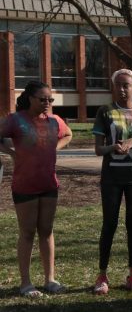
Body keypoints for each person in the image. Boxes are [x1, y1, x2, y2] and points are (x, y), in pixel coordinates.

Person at [0, 81, 72, 297]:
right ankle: (26, 283)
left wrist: (54, 148)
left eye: (50, 99)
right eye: (43, 99)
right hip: (25, 184)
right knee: (28, 232)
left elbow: (68, 134)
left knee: (47, 231)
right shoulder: (16, 120)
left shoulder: (54, 121)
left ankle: (50, 279)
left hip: (49, 183)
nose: (47, 103)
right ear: (30, 98)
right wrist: (11, 153)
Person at [92, 69, 132, 295]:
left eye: (125, 85)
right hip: (111, 177)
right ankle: (102, 275)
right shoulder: (105, 111)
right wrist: (113, 147)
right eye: (117, 85)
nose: (121, 89)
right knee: (109, 224)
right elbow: (98, 149)